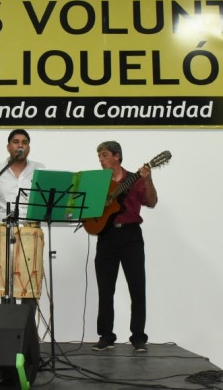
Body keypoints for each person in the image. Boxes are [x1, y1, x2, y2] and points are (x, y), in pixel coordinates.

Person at [91, 141, 157, 353]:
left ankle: (138, 337)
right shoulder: (99, 181)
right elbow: (90, 208)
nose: (101, 159)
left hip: (130, 236)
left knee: (137, 288)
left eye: (104, 155)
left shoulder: (134, 179)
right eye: (99, 156)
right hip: (106, 236)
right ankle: (106, 335)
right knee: (105, 289)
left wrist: (149, 179)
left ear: (117, 156)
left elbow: (152, 202)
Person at [0, 129, 45, 302]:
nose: (20, 145)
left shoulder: (39, 169)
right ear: (8, 147)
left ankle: (28, 329)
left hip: (30, 231)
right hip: (4, 233)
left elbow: (45, 199)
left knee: (28, 288)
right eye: (16, 142)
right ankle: (8, 328)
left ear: (29, 147)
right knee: (6, 288)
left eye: (24, 142)